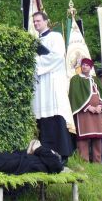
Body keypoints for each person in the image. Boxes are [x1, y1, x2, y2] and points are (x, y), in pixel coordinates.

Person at [31, 11, 74, 162]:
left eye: (38, 21)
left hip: (52, 81)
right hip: (40, 83)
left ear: (46, 21)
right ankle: (46, 154)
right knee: (42, 118)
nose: (36, 24)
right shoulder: (34, 40)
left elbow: (56, 56)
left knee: (55, 116)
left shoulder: (55, 37)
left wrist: (35, 63)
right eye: (34, 22)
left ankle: (61, 154)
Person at [69, 58, 102, 163]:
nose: (84, 67)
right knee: (83, 138)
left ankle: (97, 162)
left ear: (91, 67)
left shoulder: (95, 79)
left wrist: (101, 106)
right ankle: (84, 162)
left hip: (98, 112)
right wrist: (88, 107)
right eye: (83, 65)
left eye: (87, 65)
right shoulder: (75, 79)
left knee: (97, 138)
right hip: (84, 112)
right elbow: (75, 96)